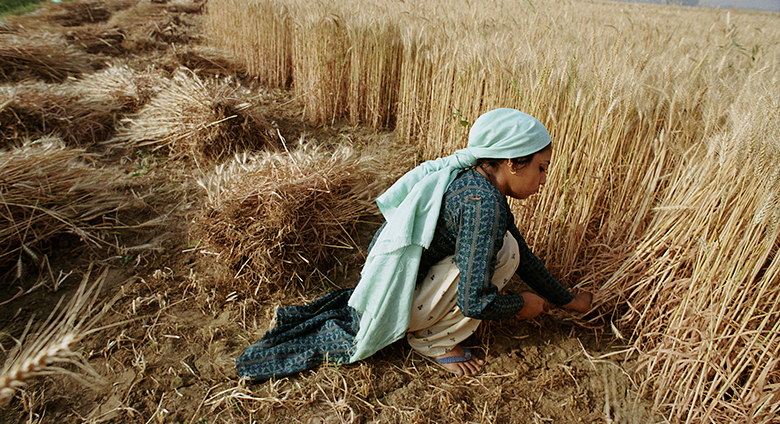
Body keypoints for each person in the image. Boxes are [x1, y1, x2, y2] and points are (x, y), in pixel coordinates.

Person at [235, 108, 592, 380]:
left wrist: (567, 300)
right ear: (514, 163)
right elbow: (474, 300)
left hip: (396, 281)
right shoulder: (483, 205)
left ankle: (425, 320)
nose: (545, 179)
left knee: (508, 249)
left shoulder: (475, 181)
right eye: (542, 168)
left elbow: (524, 255)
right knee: (502, 255)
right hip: (398, 299)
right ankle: (433, 341)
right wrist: (522, 305)